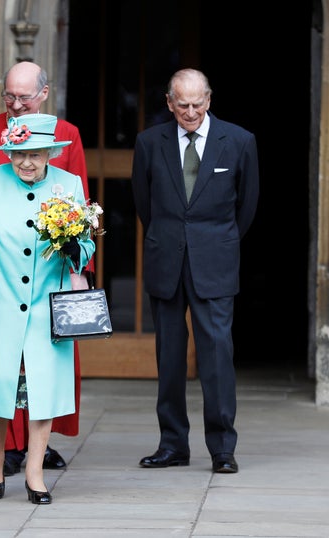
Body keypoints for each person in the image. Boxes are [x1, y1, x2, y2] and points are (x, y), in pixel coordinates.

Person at [0, 61, 90, 476]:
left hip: (47, 280)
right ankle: (1, 450)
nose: (15, 104)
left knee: (45, 369)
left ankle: (36, 451)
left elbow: (79, 206)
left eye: (23, 97)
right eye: (8, 96)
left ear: (44, 94)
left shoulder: (68, 136)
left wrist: (80, 264)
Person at [131, 68, 260, 474]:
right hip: (166, 259)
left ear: (209, 99)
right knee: (169, 357)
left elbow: (248, 205)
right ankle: (173, 445)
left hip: (216, 262)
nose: (190, 112)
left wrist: (216, 241)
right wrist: (170, 238)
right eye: (182, 104)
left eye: (197, 104)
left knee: (217, 354)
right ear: (169, 103)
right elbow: (144, 204)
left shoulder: (239, 141)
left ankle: (223, 447)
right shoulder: (149, 142)